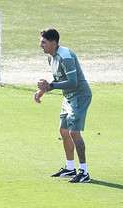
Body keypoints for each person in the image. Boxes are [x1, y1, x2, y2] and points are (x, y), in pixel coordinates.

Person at [35, 28, 92, 183]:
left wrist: (50, 86)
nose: (41, 45)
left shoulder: (65, 57)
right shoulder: (51, 57)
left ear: (53, 42)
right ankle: (69, 168)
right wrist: (43, 91)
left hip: (80, 96)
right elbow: (58, 79)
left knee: (74, 132)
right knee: (63, 130)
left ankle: (84, 172)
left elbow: (73, 82)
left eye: (43, 42)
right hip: (68, 97)